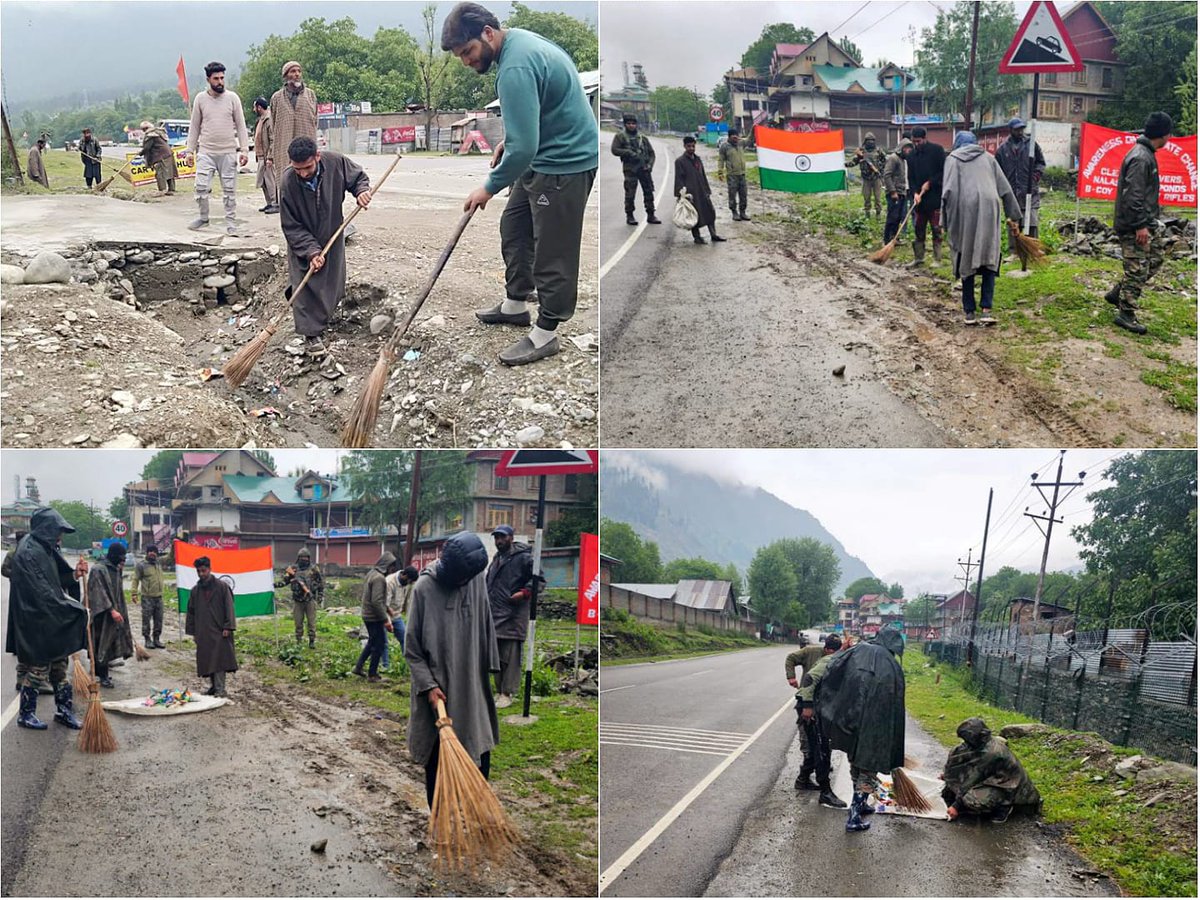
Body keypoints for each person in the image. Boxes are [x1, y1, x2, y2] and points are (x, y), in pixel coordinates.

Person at [445, 2, 599, 367]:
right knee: (514, 227)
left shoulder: (514, 66)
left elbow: (524, 149)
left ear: (487, 33)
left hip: (564, 165)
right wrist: (512, 139)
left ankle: (546, 332)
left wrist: (488, 186)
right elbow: (537, 116)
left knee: (553, 251)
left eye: (468, 51)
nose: (466, 61)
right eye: (460, 57)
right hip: (543, 156)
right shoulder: (520, 45)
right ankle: (516, 303)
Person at [404, 532, 499, 808]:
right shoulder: (424, 589)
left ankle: (476, 814)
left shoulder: (475, 580)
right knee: (436, 758)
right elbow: (412, 649)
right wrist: (429, 686)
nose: (463, 584)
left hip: (471, 683)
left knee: (478, 745)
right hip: (438, 690)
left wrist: (491, 666)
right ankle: (440, 819)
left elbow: (485, 622)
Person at [278, 136, 372, 357]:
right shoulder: (288, 182)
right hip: (303, 239)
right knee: (305, 283)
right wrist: (311, 251)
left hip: (332, 231)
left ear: (317, 156)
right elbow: (291, 226)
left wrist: (362, 191)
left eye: (307, 167)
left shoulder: (335, 162)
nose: (303, 173)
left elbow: (358, 178)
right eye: (297, 168)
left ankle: (326, 318)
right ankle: (311, 336)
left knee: (332, 280)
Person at [817, 628, 907, 832]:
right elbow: (895, 702)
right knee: (868, 767)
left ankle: (860, 804)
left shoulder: (857, 650)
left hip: (849, 718)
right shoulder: (892, 665)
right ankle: (854, 817)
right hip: (874, 726)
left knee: (855, 759)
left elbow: (832, 666)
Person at [5, 510, 87, 730]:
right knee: (38, 668)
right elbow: (42, 593)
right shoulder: (29, 552)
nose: (60, 536)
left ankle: (63, 710)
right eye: (58, 531)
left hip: (51, 618)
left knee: (60, 667)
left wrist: (75, 575)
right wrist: (73, 610)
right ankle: (26, 713)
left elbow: (56, 581)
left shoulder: (45, 549)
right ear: (46, 529)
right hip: (37, 621)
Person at [941, 131, 1021, 327]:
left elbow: (948, 191)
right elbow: (1005, 189)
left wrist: (945, 221)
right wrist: (1014, 216)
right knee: (988, 255)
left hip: (965, 209)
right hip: (990, 207)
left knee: (965, 255)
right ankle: (986, 310)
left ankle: (969, 312)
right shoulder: (989, 157)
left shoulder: (952, 159)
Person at [1106, 111, 1173, 335]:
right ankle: (1126, 314)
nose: (1170, 138)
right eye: (1169, 134)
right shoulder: (1141, 157)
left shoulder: (1145, 153)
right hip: (1134, 223)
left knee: (1155, 259)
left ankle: (1118, 293)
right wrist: (1139, 225)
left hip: (1144, 221)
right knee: (1137, 268)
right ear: (1163, 134)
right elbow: (1133, 196)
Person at [184, 61, 249, 234]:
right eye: (216, 78)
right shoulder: (200, 99)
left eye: (222, 78)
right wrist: (189, 151)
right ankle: (203, 217)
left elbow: (241, 126)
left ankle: (231, 222)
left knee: (229, 190)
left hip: (228, 151)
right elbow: (194, 127)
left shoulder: (233, 98)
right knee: (201, 187)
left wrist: (244, 149)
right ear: (208, 79)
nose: (220, 81)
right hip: (206, 151)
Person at [942, 717, 1041, 823]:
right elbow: (959, 758)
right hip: (991, 778)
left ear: (975, 738)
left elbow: (973, 778)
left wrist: (956, 806)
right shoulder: (980, 744)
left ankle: (1004, 807)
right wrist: (948, 775)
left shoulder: (992, 753)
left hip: (1007, 786)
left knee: (972, 800)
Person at [795, 635, 848, 810]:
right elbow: (809, 679)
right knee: (822, 751)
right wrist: (808, 706)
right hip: (810, 709)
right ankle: (825, 792)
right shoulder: (830, 661)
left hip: (818, 709)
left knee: (817, 749)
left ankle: (803, 780)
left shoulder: (837, 658)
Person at [485, 524, 535, 708]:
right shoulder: (497, 558)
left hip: (513, 614)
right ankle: (499, 691)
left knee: (511, 656)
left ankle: (508, 692)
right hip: (495, 614)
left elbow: (538, 580)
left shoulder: (523, 557)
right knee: (495, 657)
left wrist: (524, 593)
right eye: (496, 537)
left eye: (502, 537)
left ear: (511, 538)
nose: (499, 541)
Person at [185, 556, 237, 697]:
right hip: (203, 631)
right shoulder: (195, 590)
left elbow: (229, 607)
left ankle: (221, 689)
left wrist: (228, 626)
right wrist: (193, 631)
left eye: (204, 571)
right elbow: (191, 611)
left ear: (209, 569)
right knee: (208, 660)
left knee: (220, 660)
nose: (201, 574)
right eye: (199, 571)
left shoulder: (222, 587)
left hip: (220, 630)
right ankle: (213, 687)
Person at [269, 61, 319, 206]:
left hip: (307, 144)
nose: (296, 74)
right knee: (286, 179)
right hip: (283, 146)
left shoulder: (311, 95)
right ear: (286, 76)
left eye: (298, 71)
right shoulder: (277, 98)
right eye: (292, 71)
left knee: (309, 176)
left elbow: (315, 120)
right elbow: (273, 124)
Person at [87, 543, 134, 689]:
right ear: (113, 555)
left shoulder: (116, 569)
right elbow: (98, 592)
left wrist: (119, 610)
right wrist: (111, 610)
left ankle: (103, 672)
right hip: (102, 615)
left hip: (114, 613)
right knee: (102, 644)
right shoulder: (98, 569)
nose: (122, 561)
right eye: (121, 558)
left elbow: (117, 592)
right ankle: (102, 675)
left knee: (111, 644)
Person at [994, 118, 1045, 241]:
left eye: (1022, 129)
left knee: (1031, 221)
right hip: (1011, 192)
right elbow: (996, 170)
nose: (1020, 132)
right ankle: (1014, 251)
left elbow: (1040, 163)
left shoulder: (1031, 145)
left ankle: (1033, 247)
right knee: (1013, 223)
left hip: (1029, 190)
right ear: (1011, 130)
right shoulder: (1002, 149)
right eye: (1017, 130)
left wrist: (1036, 176)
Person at [784, 636, 825, 789]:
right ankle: (804, 777)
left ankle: (817, 764)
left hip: (823, 704)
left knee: (821, 740)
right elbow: (790, 658)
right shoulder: (811, 652)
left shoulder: (837, 657)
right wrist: (791, 677)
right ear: (825, 648)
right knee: (809, 740)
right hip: (807, 702)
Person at [906, 126, 946, 266]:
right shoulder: (911, 156)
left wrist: (931, 182)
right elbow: (910, 178)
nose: (916, 144)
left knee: (936, 228)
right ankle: (919, 257)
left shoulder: (937, 151)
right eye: (914, 142)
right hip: (920, 200)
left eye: (918, 141)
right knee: (919, 228)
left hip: (935, 197)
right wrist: (915, 193)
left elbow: (943, 171)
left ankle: (937, 259)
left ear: (924, 138)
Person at [611, 112, 660, 226]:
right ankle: (630, 215)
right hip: (630, 169)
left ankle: (651, 214)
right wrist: (628, 152)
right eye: (629, 123)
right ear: (625, 124)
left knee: (648, 192)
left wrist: (650, 166)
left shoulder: (642, 138)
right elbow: (614, 150)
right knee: (630, 193)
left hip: (644, 169)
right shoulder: (620, 137)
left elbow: (652, 154)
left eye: (633, 123)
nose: (631, 126)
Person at [354, 551, 396, 682]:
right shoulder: (379, 578)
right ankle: (372, 674)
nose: (392, 570)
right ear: (387, 565)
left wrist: (387, 608)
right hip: (374, 616)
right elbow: (376, 601)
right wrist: (385, 620)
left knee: (372, 641)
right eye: (392, 566)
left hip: (367, 614)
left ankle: (358, 667)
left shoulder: (371, 574)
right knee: (379, 644)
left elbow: (375, 598)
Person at [675, 135, 725, 245]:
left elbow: (703, 175)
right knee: (694, 215)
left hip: (702, 191)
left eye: (693, 146)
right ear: (684, 146)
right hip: (691, 194)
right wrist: (681, 195)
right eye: (689, 146)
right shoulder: (680, 161)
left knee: (710, 212)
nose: (691, 148)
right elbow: (678, 179)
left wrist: (707, 190)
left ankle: (713, 235)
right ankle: (697, 237)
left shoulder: (697, 159)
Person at [276, 548, 318, 647]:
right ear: (298, 558)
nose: (304, 559)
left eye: (306, 557)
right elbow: (285, 581)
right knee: (298, 623)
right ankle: (299, 640)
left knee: (311, 623)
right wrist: (275, 585)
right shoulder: (293, 569)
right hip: (297, 600)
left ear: (309, 558)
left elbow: (320, 583)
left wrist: (319, 597)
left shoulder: (313, 569)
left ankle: (311, 641)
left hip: (309, 600)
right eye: (302, 557)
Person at [381, 564, 418, 668]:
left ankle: (407, 664)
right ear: (404, 575)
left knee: (405, 638)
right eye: (409, 581)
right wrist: (387, 622)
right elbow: (384, 605)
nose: (409, 584)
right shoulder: (389, 582)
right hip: (383, 615)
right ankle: (385, 666)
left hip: (396, 615)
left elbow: (406, 601)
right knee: (383, 642)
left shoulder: (406, 583)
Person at [131, 544, 166, 649]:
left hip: (159, 597)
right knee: (146, 619)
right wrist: (134, 593)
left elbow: (170, 558)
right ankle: (147, 639)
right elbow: (135, 579)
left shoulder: (159, 563)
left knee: (159, 619)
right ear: (147, 553)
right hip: (147, 597)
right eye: (150, 551)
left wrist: (174, 545)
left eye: (155, 551)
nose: (153, 553)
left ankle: (156, 639)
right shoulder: (141, 565)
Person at [846, 132, 887, 217]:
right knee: (866, 197)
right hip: (866, 179)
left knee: (878, 198)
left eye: (872, 140)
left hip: (876, 178)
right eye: (868, 140)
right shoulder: (861, 152)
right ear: (865, 141)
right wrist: (846, 165)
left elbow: (885, 161)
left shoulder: (879, 151)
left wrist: (881, 170)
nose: (870, 142)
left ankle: (878, 214)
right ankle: (867, 213)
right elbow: (854, 162)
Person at [883, 138, 914, 244]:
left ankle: (894, 238)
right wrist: (892, 191)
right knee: (892, 216)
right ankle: (887, 239)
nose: (910, 151)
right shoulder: (893, 158)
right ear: (903, 148)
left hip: (902, 192)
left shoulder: (903, 160)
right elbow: (887, 175)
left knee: (899, 217)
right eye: (908, 149)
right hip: (894, 193)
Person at [252, 98, 278, 213]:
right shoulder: (261, 120)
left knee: (270, 181)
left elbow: (273, 139)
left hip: (267, 157)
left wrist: (270, 157)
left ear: (259, 107)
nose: (253, 110)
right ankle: (269, 203)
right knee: (262, 182)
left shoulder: (269, 119)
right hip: (261, 156)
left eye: (254, 107)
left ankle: (275, 203)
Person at [718, 127, 750, 221]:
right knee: (732, 194)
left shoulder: (741, 143)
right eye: (733, 137)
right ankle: (734, 212)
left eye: (737, 136)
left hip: (742, 174)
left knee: (743, 194)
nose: (736, 138)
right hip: (732, 175)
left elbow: (750, 139)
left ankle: (743, 212)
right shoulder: (724, 147)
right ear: (729, 137)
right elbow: (721, 160)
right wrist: (720, 172)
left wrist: (753, 128)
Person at [140, 121, 178, 196]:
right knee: (169, 172)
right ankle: (171, 189)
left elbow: (147, 148)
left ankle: (162, 190)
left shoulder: (151, 135)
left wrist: (141, 153)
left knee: (160, 173)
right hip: (168, 153)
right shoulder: (158, 132)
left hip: (161, 155)